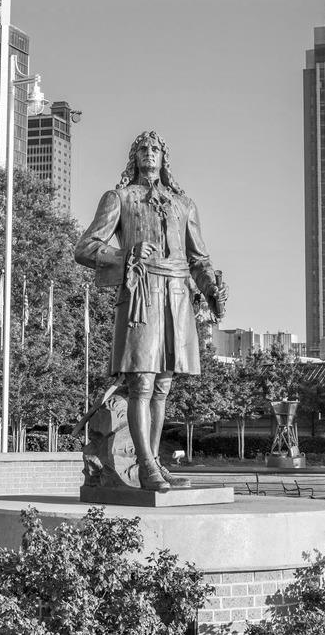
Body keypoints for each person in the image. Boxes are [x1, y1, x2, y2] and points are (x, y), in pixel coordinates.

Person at [76, 130, 227, 492]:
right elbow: (85, 248)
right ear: (134, 157)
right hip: (140, 293)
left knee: (162, 386)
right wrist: (124, 254)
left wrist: (211, 291)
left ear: (164, 157)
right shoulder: (119, 198)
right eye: (142, 149)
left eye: (155, 149)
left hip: (176, 296)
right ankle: (145, 467)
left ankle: (155, 461)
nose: (149, 154)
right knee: (141, 383)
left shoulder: (183, 204)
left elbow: (199, 259)